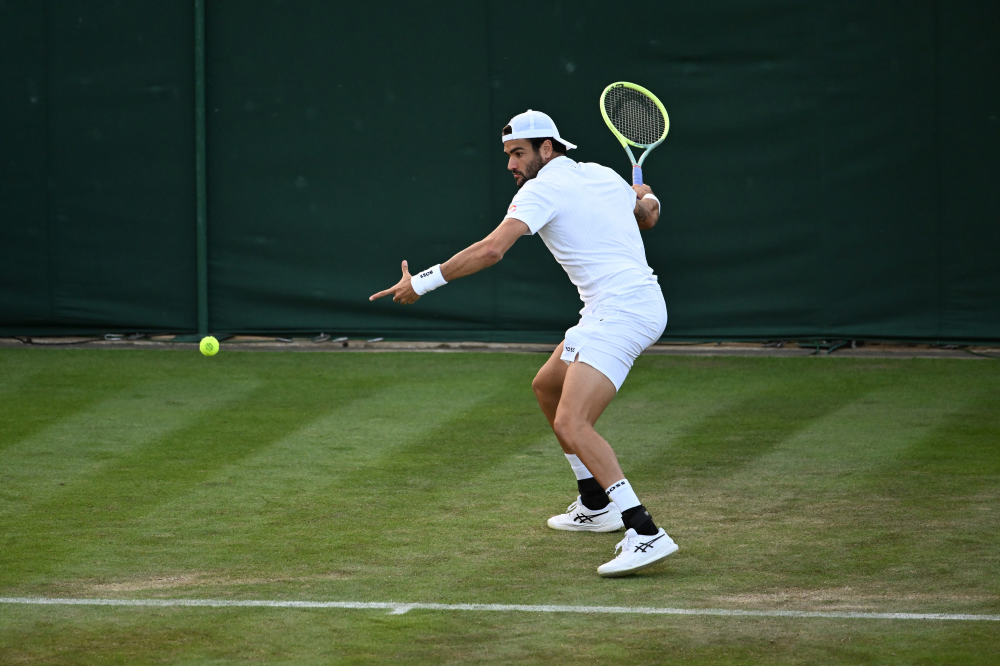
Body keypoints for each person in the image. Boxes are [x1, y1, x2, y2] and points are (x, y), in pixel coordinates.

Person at [370, 109, 677, 577]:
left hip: (622, 310)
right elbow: (647, 218)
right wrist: (646, 193)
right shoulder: (603, 175)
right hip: (615, 306)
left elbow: (492, 249)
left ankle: (643, 529)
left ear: (547, 150)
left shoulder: (542, 188)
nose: (511, 164)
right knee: (547, 387)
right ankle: (595, 502)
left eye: (519, 153)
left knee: (574, 423)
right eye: (508, 155)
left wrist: (424, 283)